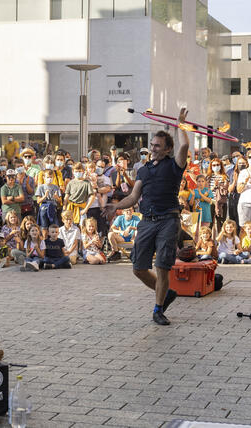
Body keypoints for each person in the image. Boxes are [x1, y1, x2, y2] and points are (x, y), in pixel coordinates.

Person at [105, 108, 190, 326]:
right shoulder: (142, 170)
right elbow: (134, 196)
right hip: (147, 221)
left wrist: (181, 124)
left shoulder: (175, 165)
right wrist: (115, 207)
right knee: (138, 268)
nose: (152, 149)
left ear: (168, 148)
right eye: (151, 145)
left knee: (162, 266)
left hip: (168, 221)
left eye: (157, 146)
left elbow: (185, 146)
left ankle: (158, 309)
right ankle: (166, 293)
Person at [64, 162, 95, 226]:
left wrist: (86, 209)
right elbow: (67, 196)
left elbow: (92, 197)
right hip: (70, 208)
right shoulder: (70, 183)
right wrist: (64, 206)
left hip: (81, 207)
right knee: (70, 226)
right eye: (76, 171)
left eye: (79, 171)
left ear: (83, 171)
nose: (78, 173)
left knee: (82, 226)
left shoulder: (87, 183)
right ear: (73, 171)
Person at [35, 169, 61, 239]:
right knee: (44, 227)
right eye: (47, 177)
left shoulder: (56, 187)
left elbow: (60, 201)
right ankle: (44, 241)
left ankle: (55, 242)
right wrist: (44, 196)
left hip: (53, 207)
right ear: (44, 177)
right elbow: (38, 201)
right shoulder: (41, 187)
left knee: (54, 227)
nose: (49, 179)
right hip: (44, 207)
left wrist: (56, 197)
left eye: (51, 177)